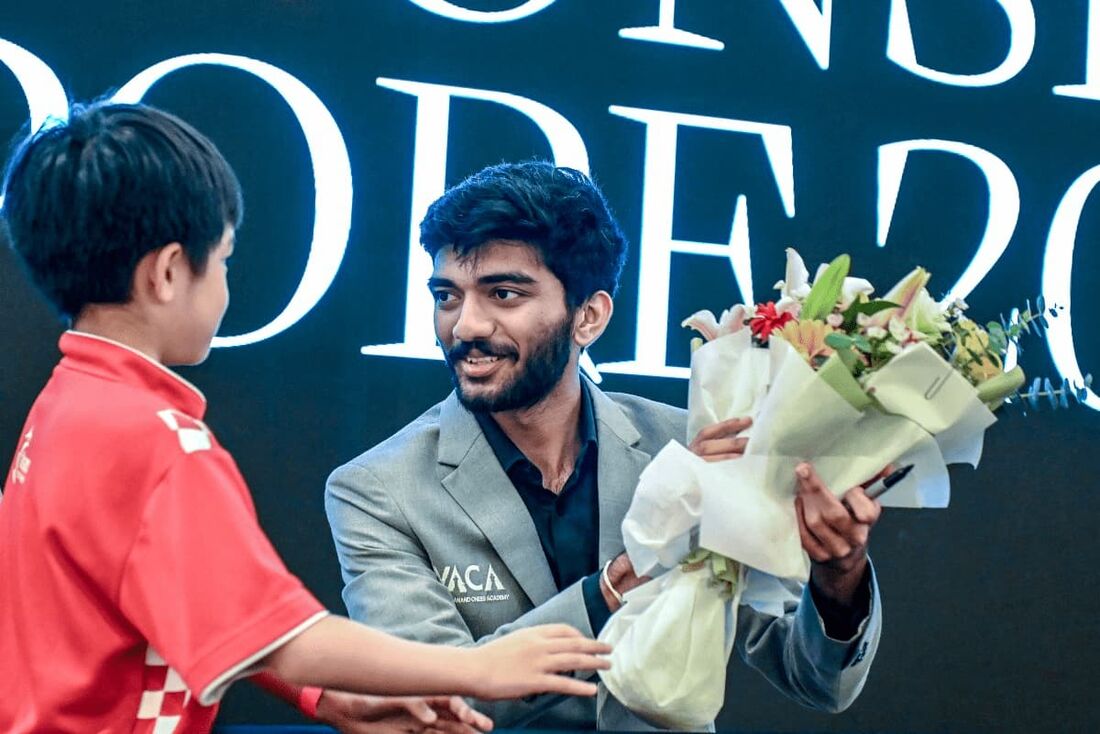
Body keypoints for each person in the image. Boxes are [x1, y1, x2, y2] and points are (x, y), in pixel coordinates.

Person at [0, 104, 612, 734]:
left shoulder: (65, 406)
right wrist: (477, 670)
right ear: (167, 272)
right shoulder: (158, 441)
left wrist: (322, 696)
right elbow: (287, 637)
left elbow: (214, 610)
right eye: (226, 260)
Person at [325, 161, 885, 730]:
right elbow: (434, 706)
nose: (465, 324)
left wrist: (839, 575)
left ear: (587, 317)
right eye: (447, 296)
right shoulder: (376, 491)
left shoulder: (692, 443)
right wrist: (621, 580)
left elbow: (816, 679)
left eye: (503, 293)